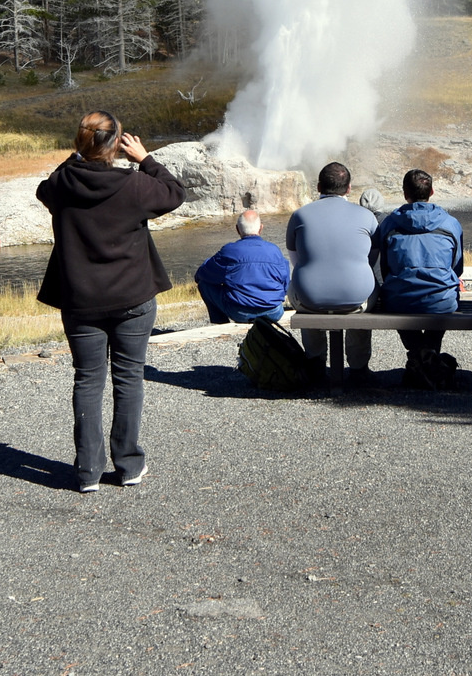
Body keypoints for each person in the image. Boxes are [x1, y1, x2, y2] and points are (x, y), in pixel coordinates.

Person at [37, 112, 185, 493]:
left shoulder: (62, 184)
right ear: (117, 144)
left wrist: (77, 157)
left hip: (80, 299)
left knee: (87, 380)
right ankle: (129, 465)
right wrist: (146, 159)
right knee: (128, 377)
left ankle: (87, 471)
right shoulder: (135, 185)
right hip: (132, 296)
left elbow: (45, 189)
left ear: (80, 144)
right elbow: (175, 193)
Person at [286, 163, 381, 387]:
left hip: (310, 301)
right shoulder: (367, 216)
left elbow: (296, 260)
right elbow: (373, 260)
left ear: (318, 186)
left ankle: (316, 362)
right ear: (348, 189)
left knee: (301, 285)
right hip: (356, 300)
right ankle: (358, 368)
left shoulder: (299, 215)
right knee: (367, 289)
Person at [376, 169, 465, 388]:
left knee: (397, 294)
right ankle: (430, 353)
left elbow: (385, 269)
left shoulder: (389, 224)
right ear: (432, 191)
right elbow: (457, 267)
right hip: (441, 300)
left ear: (405, 193)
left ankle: (419, 355)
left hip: (400, 299)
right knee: (442, 294)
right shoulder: (451, 224)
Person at [195, 210, 290, 325]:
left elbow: (203, 274)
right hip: (273, 312)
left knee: (204, 284)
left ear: (237, 229)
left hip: (240, 313)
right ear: (261, 228)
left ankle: (220, 323)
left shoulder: (229, 251)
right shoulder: (275, 250)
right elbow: (285, 284)